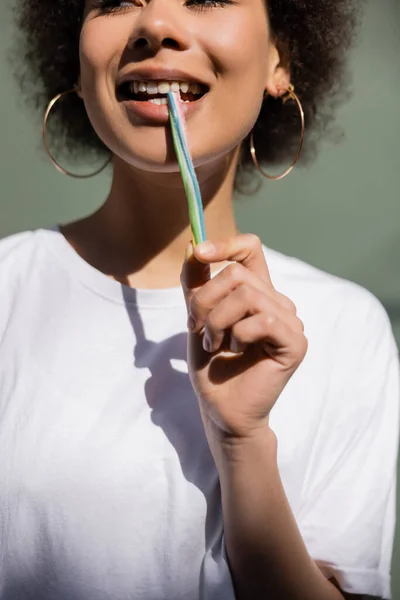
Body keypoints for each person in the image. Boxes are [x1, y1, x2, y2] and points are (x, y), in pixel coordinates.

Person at [0, 0, 398, 598]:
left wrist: (244, 442)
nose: (156, 25)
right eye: (113, 0)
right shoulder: (9, 290)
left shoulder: (348, 329)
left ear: (278, 60)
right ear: (76, 67)